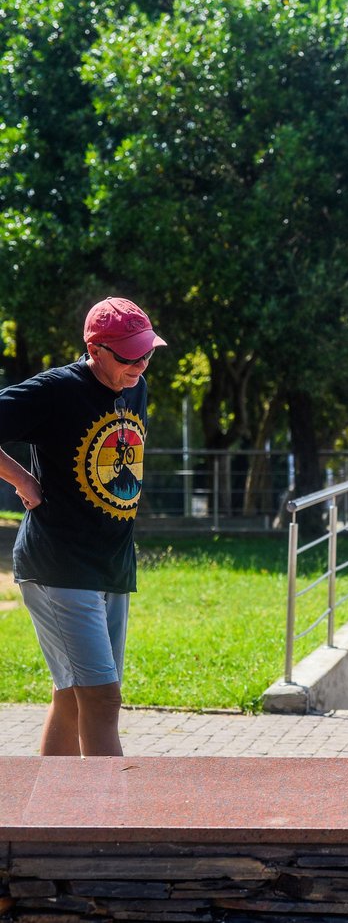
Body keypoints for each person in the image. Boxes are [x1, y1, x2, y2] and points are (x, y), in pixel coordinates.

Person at [0, 297, 166, 757]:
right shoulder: (55, 390)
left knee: (72, 697)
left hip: (111, 564)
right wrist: (22, 478)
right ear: (96, 350)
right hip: (59, 566)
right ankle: (110, 823)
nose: (141, 363)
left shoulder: (136, 384)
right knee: (102, 697)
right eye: (130, 355)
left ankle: (51, 815)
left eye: (147, 352)